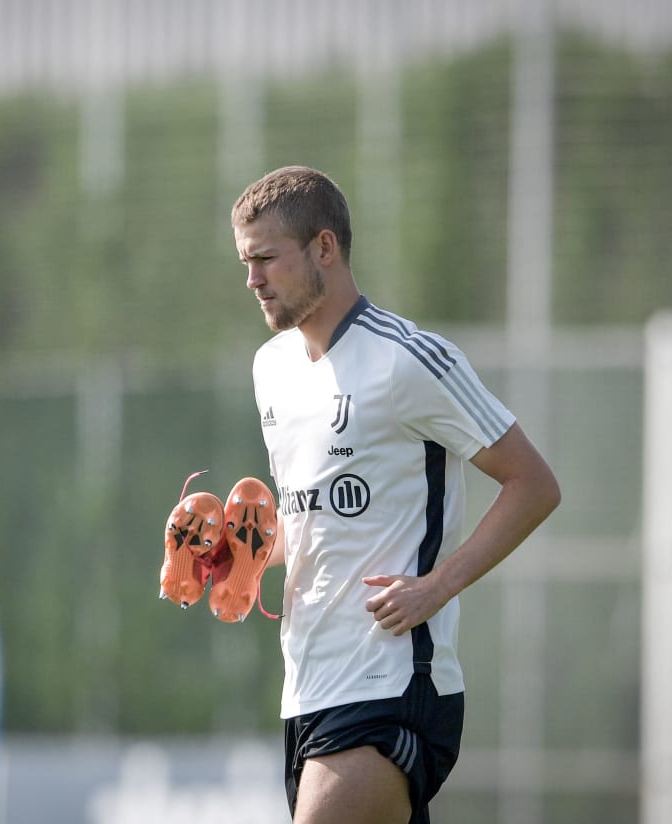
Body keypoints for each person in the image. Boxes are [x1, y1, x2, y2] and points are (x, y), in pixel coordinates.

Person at [231, 165, 561, 824]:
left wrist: (436, 586)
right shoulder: (271, 369)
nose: (252, 280)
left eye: (266, 259)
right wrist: (234, 555)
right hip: (307, 688)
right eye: (245, 261)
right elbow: (314, 523)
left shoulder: (408, 359)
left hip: (394, 684)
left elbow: (534, 485)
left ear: (325, 248)